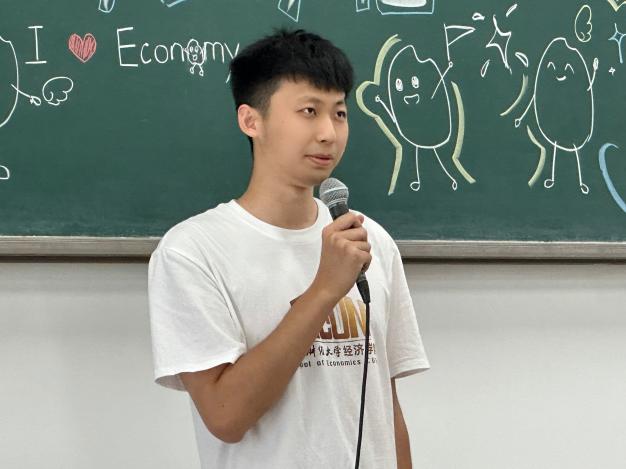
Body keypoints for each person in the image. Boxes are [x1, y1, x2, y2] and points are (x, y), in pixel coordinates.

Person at [148, 28, 430, 469]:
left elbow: (384, 404)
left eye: (339, 113)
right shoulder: (192, 252)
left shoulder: (368, 238)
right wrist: (323, 290)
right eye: (308, 111)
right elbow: (226, 417)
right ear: (251, 121)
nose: (329, 133)